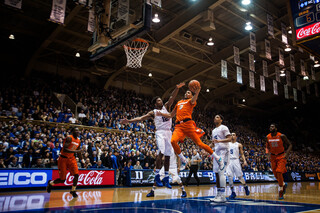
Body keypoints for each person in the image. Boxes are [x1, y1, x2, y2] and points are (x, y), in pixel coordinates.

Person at [120, 82, 185, 189]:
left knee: (168, 155)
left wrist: (177, 88)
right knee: (161, 152)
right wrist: (129, 121)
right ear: (155, 103)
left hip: (169, 132)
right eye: (158, 100)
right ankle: (157, 176)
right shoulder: (153, 112)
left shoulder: (167, 107)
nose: (160, 101)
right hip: (160, 132)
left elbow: (172, 97)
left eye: (160, 99)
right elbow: (141, 118)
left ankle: (166, 178)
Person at [156, 87, 223, 171]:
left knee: (200, 144)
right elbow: (170, 115)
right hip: (178, 126)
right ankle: (184, 160)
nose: (186, 93)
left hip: (188, 125)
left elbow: (194, 98)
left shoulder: (190, 101)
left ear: (191, 96)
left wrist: (197, 91)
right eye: (186, 92)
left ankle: (217, 158)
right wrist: (161, 113)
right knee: (173, 141)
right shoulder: (179, 102)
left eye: (189, 93)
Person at [46, 127, 83, 198]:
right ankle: (51, 183)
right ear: (72, 132)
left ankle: (73, 190)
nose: (78, 132)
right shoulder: (69, 138)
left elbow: (79, 152)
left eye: (79, 131)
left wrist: (82, 160)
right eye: (76, 131)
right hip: (63, 159)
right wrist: (76, 151)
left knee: (76, 175)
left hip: (71, 158)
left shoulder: (78, 141)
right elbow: (65, 149)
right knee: (62, 180)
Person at [266, 123, 292, 200]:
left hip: (281, 156)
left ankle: (281, 191)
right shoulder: (267, 137)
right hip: (273, 157)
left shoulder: (282, 136)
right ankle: (283, 184)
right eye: (270, 126)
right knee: (275, 174)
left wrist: (287, 153)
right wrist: (267, 154)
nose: (271, 127)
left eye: (273, 126)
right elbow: (267, 146)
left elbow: (290, 145)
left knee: (279, 172)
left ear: (276, 128)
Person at [210, 114, 232, 203]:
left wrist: (219, 141)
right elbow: (213, 143)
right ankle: (218, 194)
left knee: (221, 172)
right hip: (217, 152)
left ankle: (223, 196)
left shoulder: (224, 127)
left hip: (224, 152)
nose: (215, 118)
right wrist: (206, 149)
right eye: (215, 117)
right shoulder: (213, 130)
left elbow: (230, 138)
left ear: (221, 120)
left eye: (218, 117)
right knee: (216, 173)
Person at [227, 133, 250, 199]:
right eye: (231, 135)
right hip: (229, 161)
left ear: (236, 137)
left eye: (233, 135)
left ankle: (245, 187)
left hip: (236, 160)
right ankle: (233, 192)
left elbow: (242, 154)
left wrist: (244, 161)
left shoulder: (239, 145)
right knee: (229, 177)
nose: (232, 136)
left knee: (240, 177)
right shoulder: (227, 144)